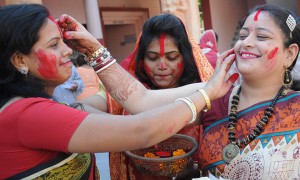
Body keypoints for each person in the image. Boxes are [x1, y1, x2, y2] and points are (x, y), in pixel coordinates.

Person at [0, 4, 238, 179]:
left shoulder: (41, 108)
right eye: (54, 45)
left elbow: (143, 101)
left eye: (63, 41)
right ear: (20, 60)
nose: (68, 51)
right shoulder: (28, 115)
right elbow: (142, 128)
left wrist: (209, 88)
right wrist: (205, 94)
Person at [197, 4, 300, 179]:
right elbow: (143, 105)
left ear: (290, 54)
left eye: (261, 36)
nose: (246, 42)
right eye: (243, 35)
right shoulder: (211, 99)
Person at [107, 14, 213, 180]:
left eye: (172, 57)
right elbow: (89, 107)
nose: (162, 66)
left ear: (186, 58)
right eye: (153, 57)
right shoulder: (128, 95)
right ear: (141, 60)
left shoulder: (204, 94)